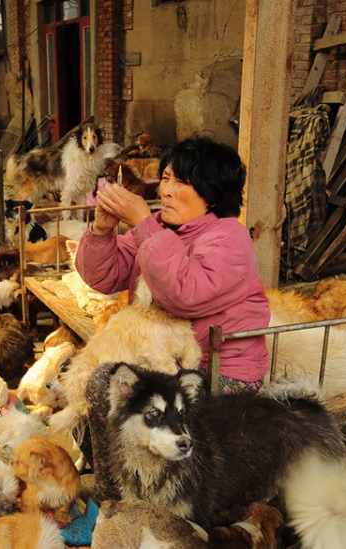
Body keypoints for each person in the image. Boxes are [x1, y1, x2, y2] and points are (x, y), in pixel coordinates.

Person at [74, 137, 271, 501]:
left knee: (106, 385)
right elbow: (104, 277)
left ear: (211, 195)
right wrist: (102, 230)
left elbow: (184, 293)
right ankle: (118, 491)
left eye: (181, 182)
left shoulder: (229, 238)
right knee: (100, 381)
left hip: (219, 372)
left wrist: (142, 224)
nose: (166, 190)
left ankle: (117, 498)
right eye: (165, 178)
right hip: (166, 369)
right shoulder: (163, 229)